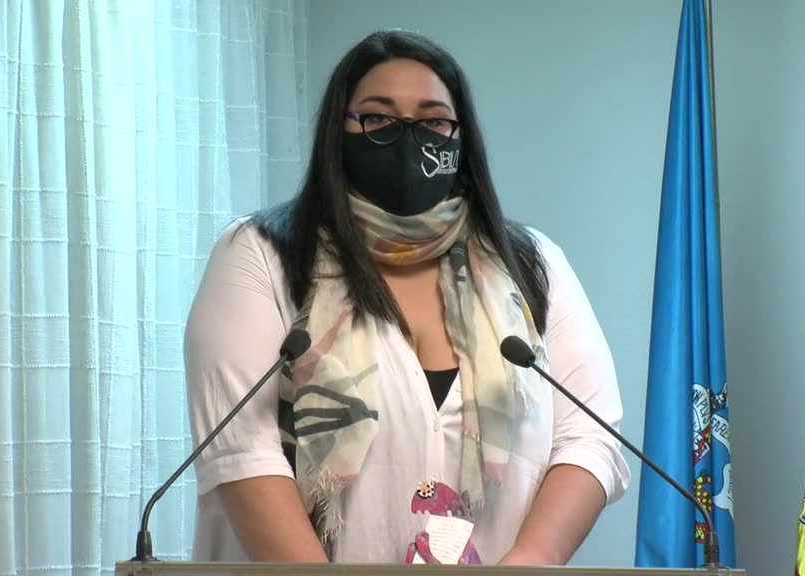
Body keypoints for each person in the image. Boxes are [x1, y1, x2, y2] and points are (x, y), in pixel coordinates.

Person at [183, 29, 630, 566]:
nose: (408, 138)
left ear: (461, 137)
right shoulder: (261, 253)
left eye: (434, 121)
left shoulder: (531, 264)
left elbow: (588, 439)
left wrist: (529, 560)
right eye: (378, 118)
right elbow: (242, 450)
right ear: (338, 129)